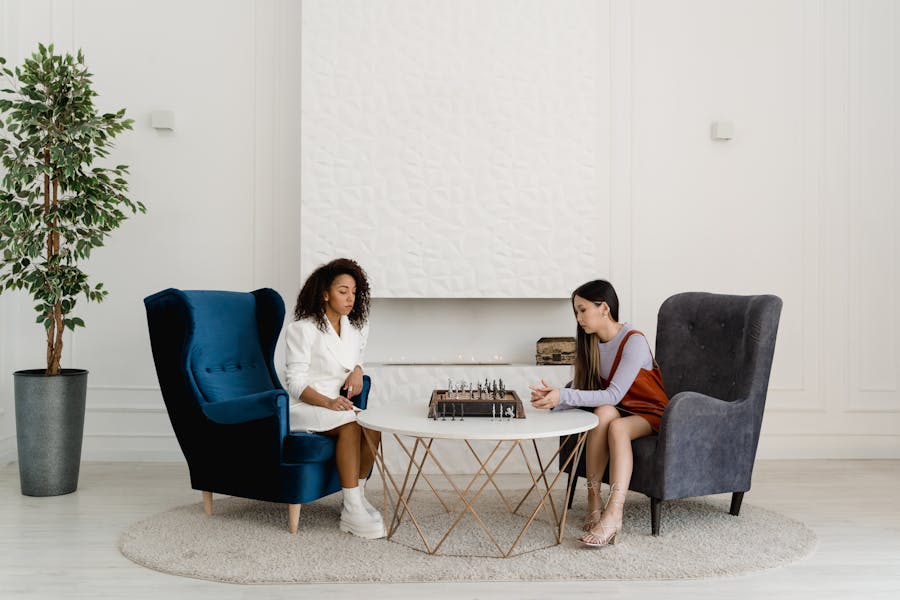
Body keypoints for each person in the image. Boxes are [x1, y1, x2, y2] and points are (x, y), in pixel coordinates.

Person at [529, 279, 668, 547]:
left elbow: (614, 394)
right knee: (603, 414)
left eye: (582, 310)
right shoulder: (591, 343)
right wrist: (554, 399)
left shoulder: (633, 340)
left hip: (651, 413)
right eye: (576, 312)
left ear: (603, 308)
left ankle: (615, 513)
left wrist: (564, 394)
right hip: (619, 409)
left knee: (616, 425)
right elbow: (588, 391)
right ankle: (594, 501)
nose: (579, 318)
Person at [284, 258, 385, 539]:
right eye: (343, 291)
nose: (350, 297)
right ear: (325, 293)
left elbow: (357, 358)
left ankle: (356, 499)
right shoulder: (302, 329)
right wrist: (328, 402)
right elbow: (294, 382)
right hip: (308, 405)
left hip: (339, 404)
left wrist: (358, 370)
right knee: (352, 425)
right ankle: (352, 509)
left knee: (373, 426)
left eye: (354, 291)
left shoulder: (355, 329)